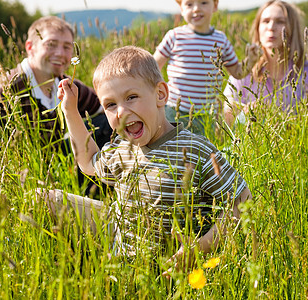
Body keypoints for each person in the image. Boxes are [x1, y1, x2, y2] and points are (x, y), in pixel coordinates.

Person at [42, 46, 252, 274]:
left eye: (131, 97)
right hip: (122, 251)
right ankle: (73, 268)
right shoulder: (121, 150)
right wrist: (70, 110)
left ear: (160, 95)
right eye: (110, 105)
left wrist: (200, 247)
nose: (120, 112)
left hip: (169, 266)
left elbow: (242, 199)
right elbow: (89, 161)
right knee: (42, 199)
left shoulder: (194, 149)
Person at [0, 16, 112, 149]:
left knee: (110, 121)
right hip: (22, 167)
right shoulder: (0, 95)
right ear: (30, 47)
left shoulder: (65, 85)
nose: (60, 53)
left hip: (59, 161)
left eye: (66, 47)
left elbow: (106, 106)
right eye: (51, 44)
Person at [153, 0, 260, 134]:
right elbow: (153, 66)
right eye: (189, 4)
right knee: (174, 148)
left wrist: (250, 60)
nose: (196, 9)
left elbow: (237, 72)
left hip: (208, 116)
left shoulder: (221, 40)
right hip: (174, 110)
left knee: (200, 152)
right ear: (181, 8)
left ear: (215, 6)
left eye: (203, 2)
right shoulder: (174, 36)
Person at [223, 0, 308, 125]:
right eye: (265, 21)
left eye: (280, 22)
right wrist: (246, 113)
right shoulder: (243, 73)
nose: (271, 27)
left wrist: (275, 118)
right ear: (258, 28)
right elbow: (224, 127)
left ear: (292, 28)